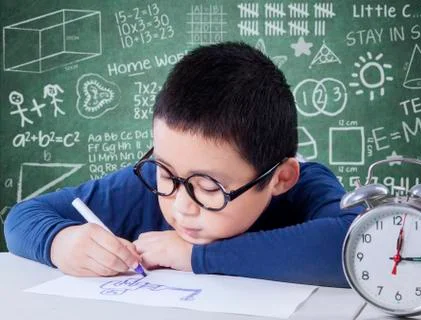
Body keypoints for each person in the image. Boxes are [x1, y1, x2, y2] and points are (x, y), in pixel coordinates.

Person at [5, 42, 361, 287]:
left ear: (280, 178)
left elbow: (352, 245)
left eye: (209, 188)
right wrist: (61, 242)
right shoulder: (153, 183)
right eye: (166, 173)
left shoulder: (304, 187)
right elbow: (23, 218)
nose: (181, 206)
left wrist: (193, 256)